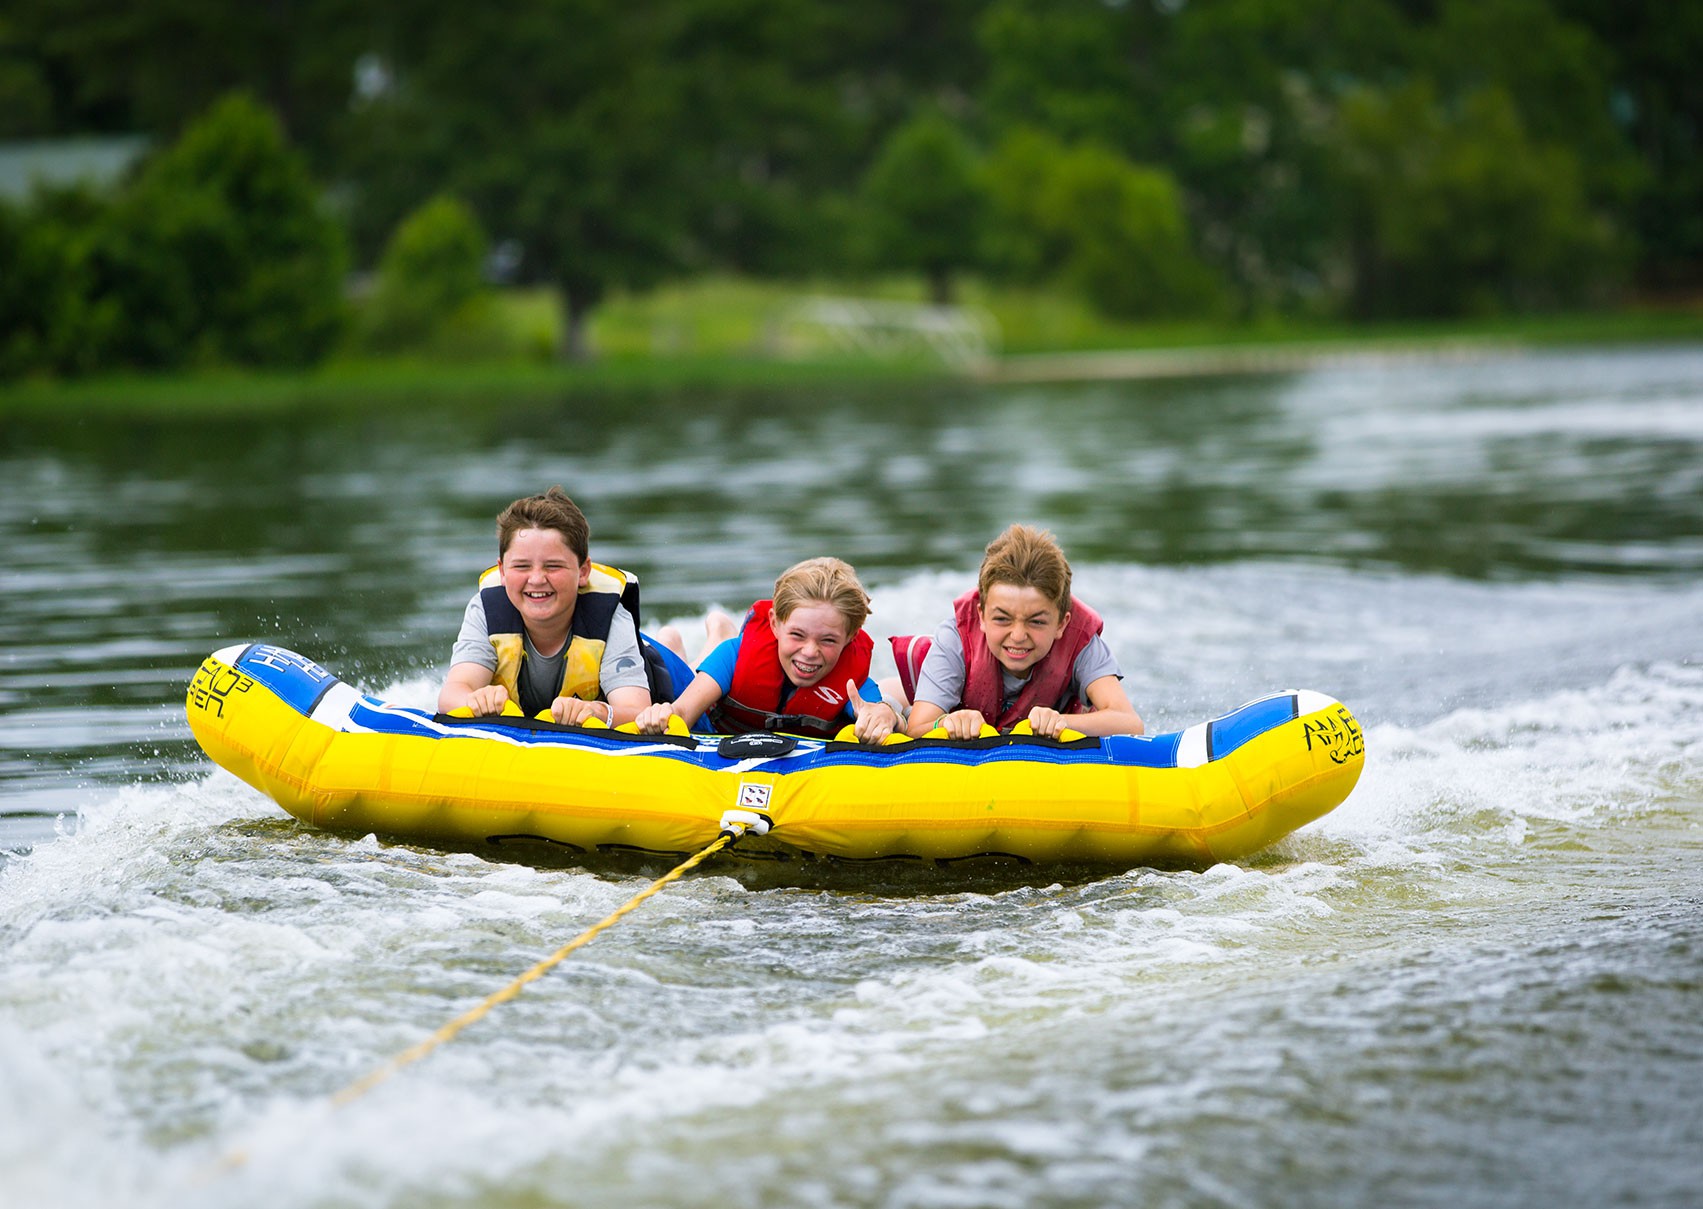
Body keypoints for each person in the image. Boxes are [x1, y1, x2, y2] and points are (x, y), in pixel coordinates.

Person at [438, 486, 690, 725]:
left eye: (553, 566)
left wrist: (596, 711)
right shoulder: (486, 610)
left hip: (658, 673)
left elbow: (637, 711)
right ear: (502, 571)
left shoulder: (610, 617)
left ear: (583, 572)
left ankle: (680, 644)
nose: (536, 579)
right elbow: (451, 695)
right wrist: (475, 700)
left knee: (681, 678)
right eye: (522, 566)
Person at [895, 524, 1143, 739]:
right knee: (895, 699)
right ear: (981, 616)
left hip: (1054, 713)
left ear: (1061, 624)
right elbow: (917, 727)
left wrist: (1062, 722)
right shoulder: (955, 637)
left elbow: (1129, 723)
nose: (1017, 636)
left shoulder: (1081, 640)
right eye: (1002, 619)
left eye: (1036, 622)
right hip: (934, 685)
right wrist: (947, 722)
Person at [635, 557, 900, 744]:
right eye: (797, 635)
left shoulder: (854, 684)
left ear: (850, 637)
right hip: (716, 716)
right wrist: (661, 715)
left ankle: (716, 631)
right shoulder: (735, 656)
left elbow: (880, 712)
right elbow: (681, 713)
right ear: (774, 623)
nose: (809, 651)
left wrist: (885, 715)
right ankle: (711, 635)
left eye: (828, 641)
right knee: (678, 676)